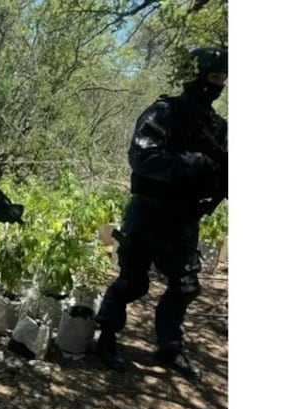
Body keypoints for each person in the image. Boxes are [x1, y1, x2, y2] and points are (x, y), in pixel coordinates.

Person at [95, 46, 228, 380]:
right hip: (149, 214)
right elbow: (144, 159)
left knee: (185, 286)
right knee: (132, 281)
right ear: (196, 76)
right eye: (213, 76)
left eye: (223, 78)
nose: (218, 84)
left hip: (184, 219)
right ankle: (106, 337)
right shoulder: (163, 113)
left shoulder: (217, 127)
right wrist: (193, 164)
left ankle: (169, 346)